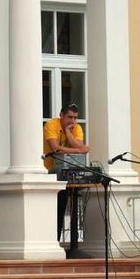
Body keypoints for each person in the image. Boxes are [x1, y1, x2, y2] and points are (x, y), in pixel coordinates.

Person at [42, 102, 90, 239]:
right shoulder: (51, 125)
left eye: (75, 118)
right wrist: (78, 150)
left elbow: (79, 146)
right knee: (53, 209)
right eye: (69, 117)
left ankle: (60, 240)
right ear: (61, 116)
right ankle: (52, 239)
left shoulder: (76, 128)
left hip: (65, 174)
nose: (72, 121)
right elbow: (55, 149)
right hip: (48, 171)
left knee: (63, 204)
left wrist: (68, 132)